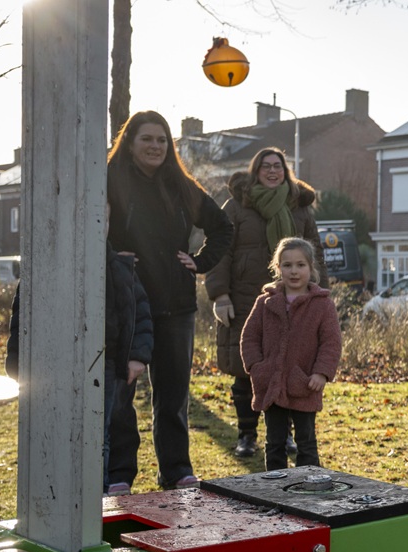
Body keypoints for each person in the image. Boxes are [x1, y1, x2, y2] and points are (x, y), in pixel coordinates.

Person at [106, 110, 233, 492]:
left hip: (176, 306)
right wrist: (112, 261)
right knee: (121, 395)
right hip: (125, 305)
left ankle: (176, 471)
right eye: (147, 139)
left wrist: (198, 263)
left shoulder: (181, 185)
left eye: (162, 140)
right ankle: (118, 474)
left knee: (173, 395)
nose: (155, 146)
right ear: (129, 142)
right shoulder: (109, 180)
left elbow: (222, 227)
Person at [5, 243, 153, 495]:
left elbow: (139, 311)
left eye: (105, 220)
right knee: (57, 430)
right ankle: (58, 492)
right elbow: (22, 317)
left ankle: (98, 493)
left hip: (105, 362)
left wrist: (137, 357)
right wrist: (18, 361)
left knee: (100, 434)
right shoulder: (45, 265)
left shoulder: (119, 266)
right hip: (56, 364)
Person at [205, 148, 324, 459]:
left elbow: (315, 254)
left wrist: (317, 296)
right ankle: (247, 434)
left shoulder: (299, 208)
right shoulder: (237, 207)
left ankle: (283, 435)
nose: (273, 171)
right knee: (248, 371)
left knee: (288, 367)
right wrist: (220, 295)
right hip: (246, 299)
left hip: (293, 303)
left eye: (278, 167)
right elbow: (221, 253)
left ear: (285, 171)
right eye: (266, 167)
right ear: (255, 171)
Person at [240, 237, 341, 470]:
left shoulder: (322, 305)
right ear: (278, 268)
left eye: (300, 265)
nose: (294, 271)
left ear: (311, 268)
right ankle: (275, 490)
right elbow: (249, 337)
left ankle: (309, 487)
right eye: (287, 265)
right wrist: (257, 367)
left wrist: (321, 373)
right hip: (272, 383)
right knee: (274, 442)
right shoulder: (265, 302)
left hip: (305, 383)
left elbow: (331, 343)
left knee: (306, 442)